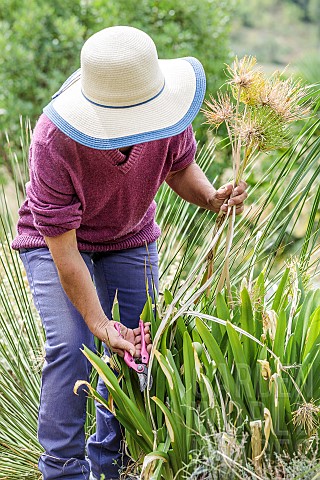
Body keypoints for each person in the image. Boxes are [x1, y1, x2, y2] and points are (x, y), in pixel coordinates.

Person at [12, 26, 248, 480]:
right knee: (74, 345)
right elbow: (65, 253)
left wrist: (211, 198)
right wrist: (99, 324)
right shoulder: (53, 141)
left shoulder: (167, 115)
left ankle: (115, 460)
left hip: (131, 236)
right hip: (57, 244)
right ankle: (63, 469)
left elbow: (180, 169)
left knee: (140, 346)